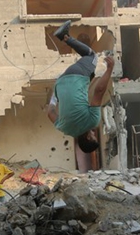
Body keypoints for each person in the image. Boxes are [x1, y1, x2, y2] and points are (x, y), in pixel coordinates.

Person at [47, 20, 115, 153]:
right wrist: (55, 95)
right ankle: (65, 37)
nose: (94, 133)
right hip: (60, 83)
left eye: (94, 136)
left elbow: (99, 91)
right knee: (90, 76)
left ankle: (65, 36)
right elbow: (50, 113)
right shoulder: (64, 129)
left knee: (92, 56)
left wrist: (109, 70)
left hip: (75, 76)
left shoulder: (92, 121)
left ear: (89, 138)